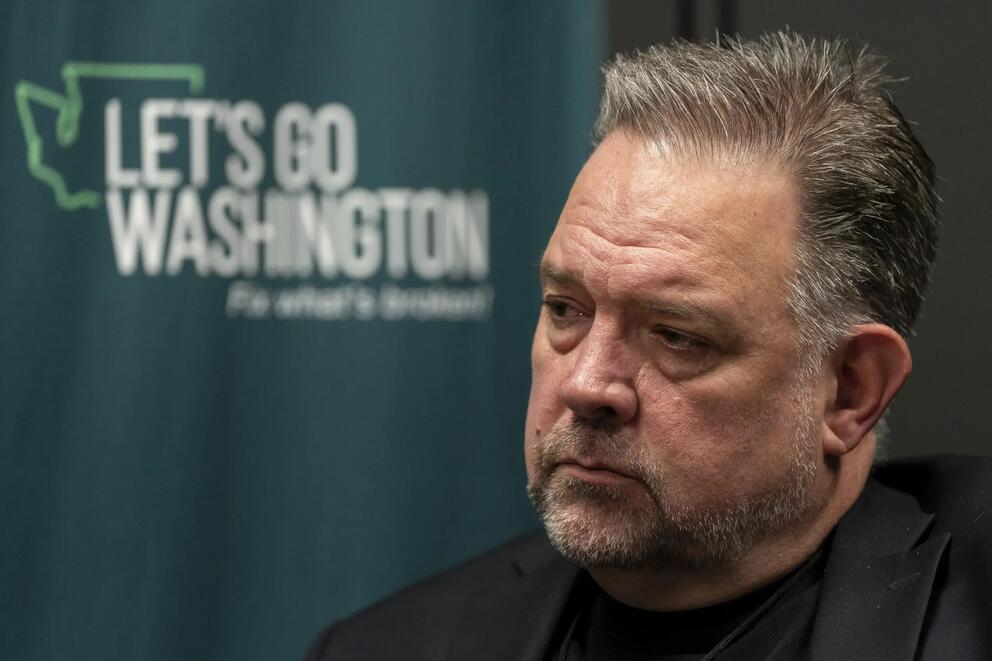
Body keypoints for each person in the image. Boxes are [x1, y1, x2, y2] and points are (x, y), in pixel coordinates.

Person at [305, 32, 991, 660]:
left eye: (676, 335)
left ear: (850, 389)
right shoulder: (385, 645)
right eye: (566, 309)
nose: (586, 384)